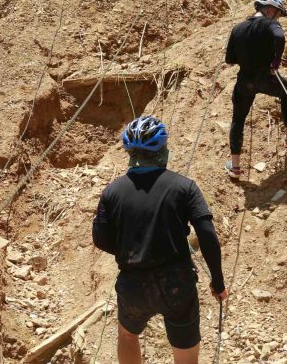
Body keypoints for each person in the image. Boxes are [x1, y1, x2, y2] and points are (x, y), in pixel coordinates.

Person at [93, 116, 227, 364]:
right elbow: (207, 234)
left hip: (133, 282)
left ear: (130, 154)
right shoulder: (185, 187)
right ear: (163, 149)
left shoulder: (112, 191)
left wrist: (130, 251)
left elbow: (100, 238)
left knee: (128, 334)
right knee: (185, 349)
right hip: (177, 282)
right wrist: (217, 283)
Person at [224, 0, 287, 179]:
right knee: (286, 92)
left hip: (244, 81)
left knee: (238, 119)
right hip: (266, 77)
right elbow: (279, 37)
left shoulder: (237, 28)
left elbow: (229, 59)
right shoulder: (269, 23)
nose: (278, 18)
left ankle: (236, 167)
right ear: (270, 10)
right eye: (278, 14)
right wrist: (275, 62)